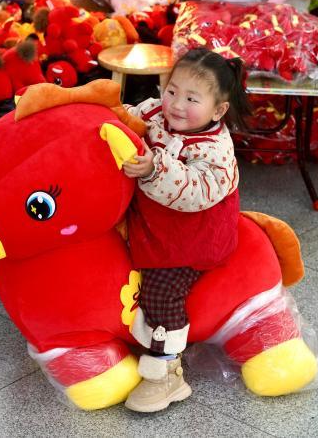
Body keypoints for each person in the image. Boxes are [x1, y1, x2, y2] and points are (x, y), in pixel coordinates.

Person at [122, 48, 251, 413]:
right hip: (153, 222)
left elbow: (193, 192)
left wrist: (154, 169)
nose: (176, 105)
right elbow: (127, 117)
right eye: (172, 91)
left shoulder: (216, 150)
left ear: (218, 110)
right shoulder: (156, 113)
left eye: (192, 99)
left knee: (161, 291)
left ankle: (167, 372)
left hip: (192, 238)